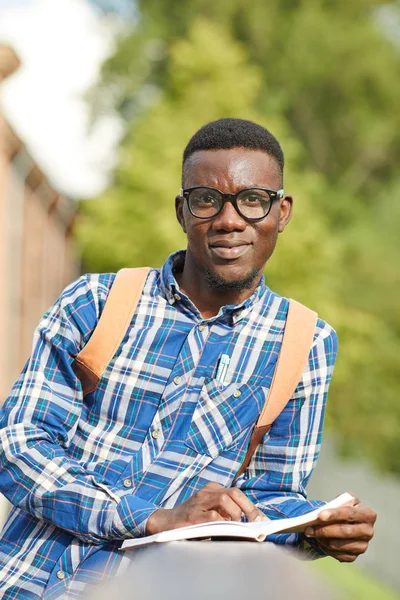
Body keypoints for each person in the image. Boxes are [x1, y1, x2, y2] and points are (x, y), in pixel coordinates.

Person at [0, 118, 376, 599]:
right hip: (23, 582)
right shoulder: (96, 303)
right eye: (206, 200)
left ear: (281, 212)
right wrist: (149, 518)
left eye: (253, 200)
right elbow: (19, 444)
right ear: (182, 210)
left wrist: (315, 528)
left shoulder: (306, 344)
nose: (229, 220)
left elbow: (267, 499)